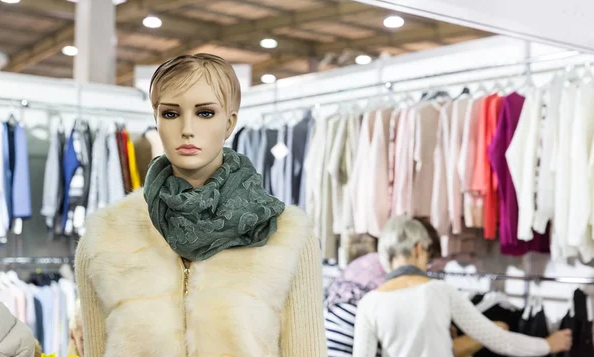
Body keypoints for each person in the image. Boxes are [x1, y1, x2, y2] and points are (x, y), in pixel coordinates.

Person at [75, 54, 327, 357]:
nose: (187, 129)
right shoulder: (106, 235)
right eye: (170, 114)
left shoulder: (286, 235)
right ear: (156, 118)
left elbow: (306, 350)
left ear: (230, 122)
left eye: (205, 113)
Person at [352, 215, 573, 357]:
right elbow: (498, 339)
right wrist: (547, 345)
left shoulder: (369, 303)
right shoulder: (438, 291)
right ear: (419, 248)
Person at [325, 218, 505, 357]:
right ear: (418, 249)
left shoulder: (375, 260)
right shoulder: (396, 280)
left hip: (327, 336)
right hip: (349, 338)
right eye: (428, 258)